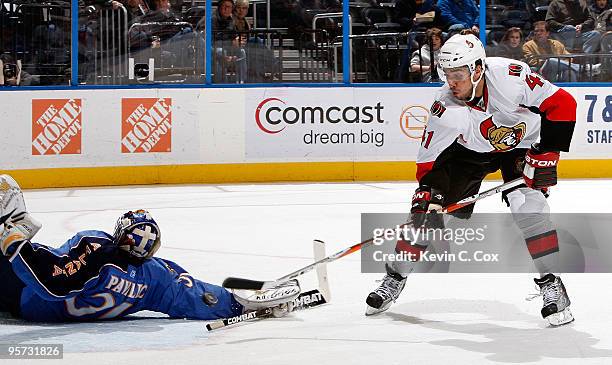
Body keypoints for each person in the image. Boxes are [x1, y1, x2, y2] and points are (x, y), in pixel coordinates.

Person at [365, 34, 577, 326]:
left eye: (459, 75)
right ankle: (395, 276)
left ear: (478, 69)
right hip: (471, 151)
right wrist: (428, 192)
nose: (452, 82)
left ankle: (552, 285)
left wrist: (548, 154)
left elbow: (563, 104)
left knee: (530, 209)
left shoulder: (510, 77)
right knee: (426, 219)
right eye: (447, 74)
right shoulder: (445, 105)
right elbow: (429, 157)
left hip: (522, 145)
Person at [0, 175, 299, 322]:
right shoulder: (155, 277)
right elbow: (196, 295)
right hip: (41, 306)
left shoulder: (98, 248)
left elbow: (53, 283)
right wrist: (241, 303)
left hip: (27, 299)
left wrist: (16, 245)